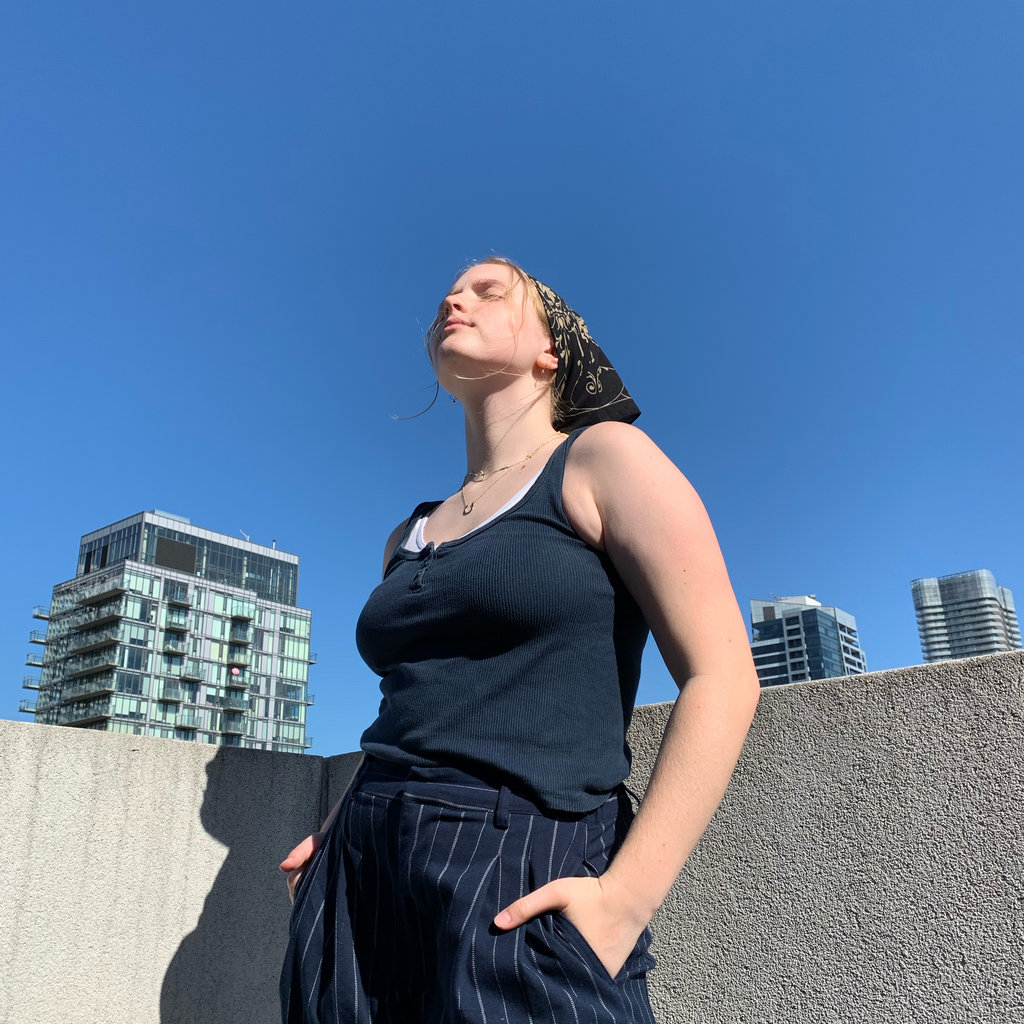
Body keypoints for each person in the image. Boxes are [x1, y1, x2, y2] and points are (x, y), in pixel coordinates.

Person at [279, 257, 760, 1023]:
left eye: (489, 291)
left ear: (550, 350)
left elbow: (723, 677)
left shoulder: (603, 459)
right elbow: (415, 703)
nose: (453, 299)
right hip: (359, 871)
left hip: (520, 861)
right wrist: (335, 834)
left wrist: (625, 901)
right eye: (450, 292)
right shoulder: (409, 533)